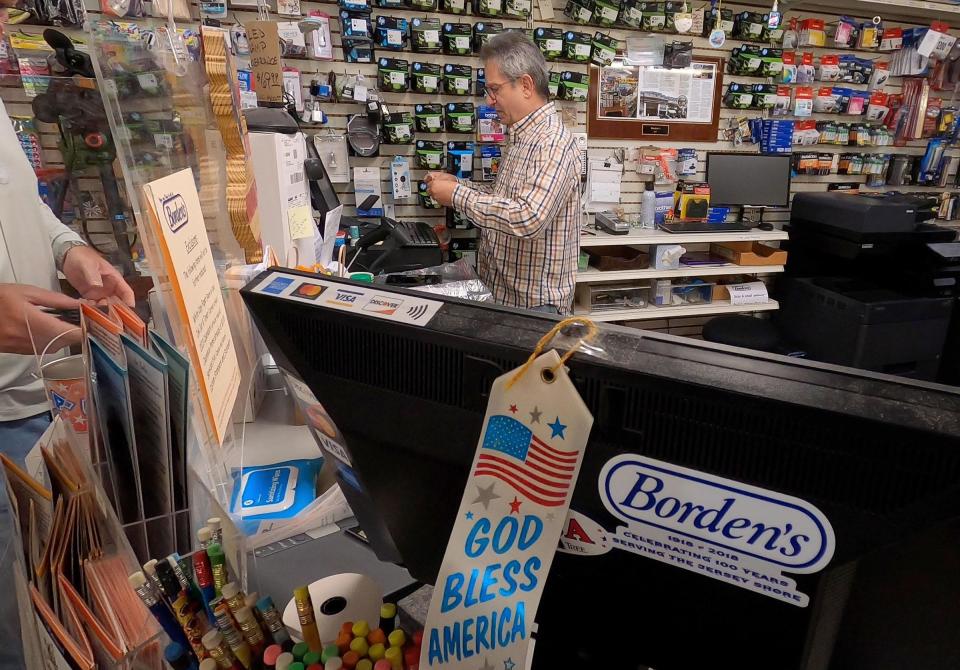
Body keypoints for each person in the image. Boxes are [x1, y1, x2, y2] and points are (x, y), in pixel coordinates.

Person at [0, 95, 134, 667]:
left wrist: (71, 250)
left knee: (63, 622)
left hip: (44, 404)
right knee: (18, 637)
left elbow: (26, 208)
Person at [425, 32, 582, 315]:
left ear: (525, 85)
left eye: (494, 90)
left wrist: (458, 195)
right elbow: (504, 199)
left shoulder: (552, 142)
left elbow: (527, 217)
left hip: (534, 306)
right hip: (504, 294)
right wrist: (458, 183)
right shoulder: (520, 136)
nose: (489, 101)